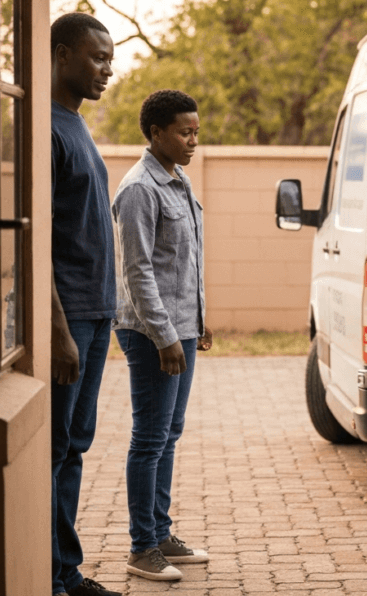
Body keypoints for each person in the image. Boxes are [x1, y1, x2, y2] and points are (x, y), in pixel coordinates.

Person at [112, 89, 213, 581]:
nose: (193, 139)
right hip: (153, 334)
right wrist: (166, 336)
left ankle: (160, 532)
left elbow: (185, 261)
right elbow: (137, 271)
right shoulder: (138, 189)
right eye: (184, 131)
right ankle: (140, 547)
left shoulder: (179, 181)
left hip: (182, 329)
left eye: (196, 130)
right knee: (149, 439)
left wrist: (198, 317)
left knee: (168, 435)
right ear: (156, 133)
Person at [49, 12, 122, 596]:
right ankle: (48, 575)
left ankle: (66, 572)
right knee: (53, 448)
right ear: (62, 52)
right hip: (68, 315)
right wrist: (56, 329)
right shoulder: (46, 130)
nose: (107, 71)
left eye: (111, 61)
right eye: (97, 58)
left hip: (97, 313)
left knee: (74, 445)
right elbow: (38, 241)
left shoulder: (76, 125)